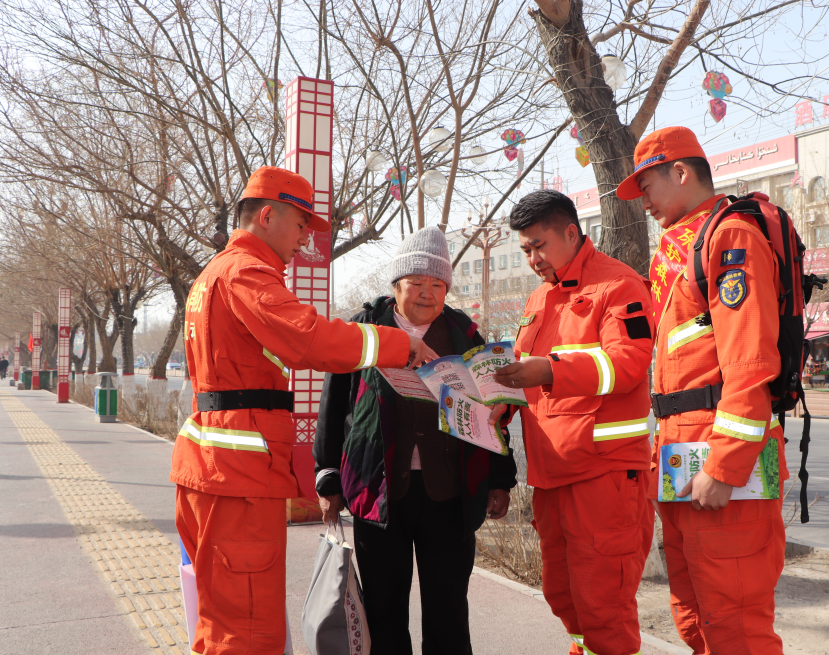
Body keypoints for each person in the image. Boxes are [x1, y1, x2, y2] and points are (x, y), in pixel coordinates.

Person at [170, 166, 437, 655]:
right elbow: (308, 338)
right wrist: (398, 345)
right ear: (267, 216)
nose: (303, 240)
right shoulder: (247, 273)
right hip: (238, 478)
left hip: (214, 467)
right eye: (299, 226)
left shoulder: (213, 274)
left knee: (220, 619)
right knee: (250, 631)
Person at [616, 126, 789, 655]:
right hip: (681, 456)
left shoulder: (729, 237)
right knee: (696, 619)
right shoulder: (681, 248)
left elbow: (750, 365)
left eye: (647, 186)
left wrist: (724, 465)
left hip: (717, 461)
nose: (643, 202)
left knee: (736, 626)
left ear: (680, 173)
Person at [313, 226, 518, 655]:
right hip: (379, 492)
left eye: (437, 284)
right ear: (396, 286)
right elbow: (333, 407)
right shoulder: (364, 330)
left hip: (450, 494)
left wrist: (501, 479)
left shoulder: (465, 336)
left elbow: (494, 413)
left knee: (448, 611)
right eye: (416, 282)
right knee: (384, 611)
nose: (427, 293)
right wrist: (328, 477)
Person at [492, 189, 655, 655]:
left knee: (604, 606)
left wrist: (549, 370)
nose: (533, 259)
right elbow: (524, 370)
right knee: (563, 595)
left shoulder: (619, 285)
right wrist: (501, 399)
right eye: (525, 250)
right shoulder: (538, 298)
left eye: (538, 246)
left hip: (603, 475)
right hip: (551, 476)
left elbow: (628, 363)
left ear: (570, 232)